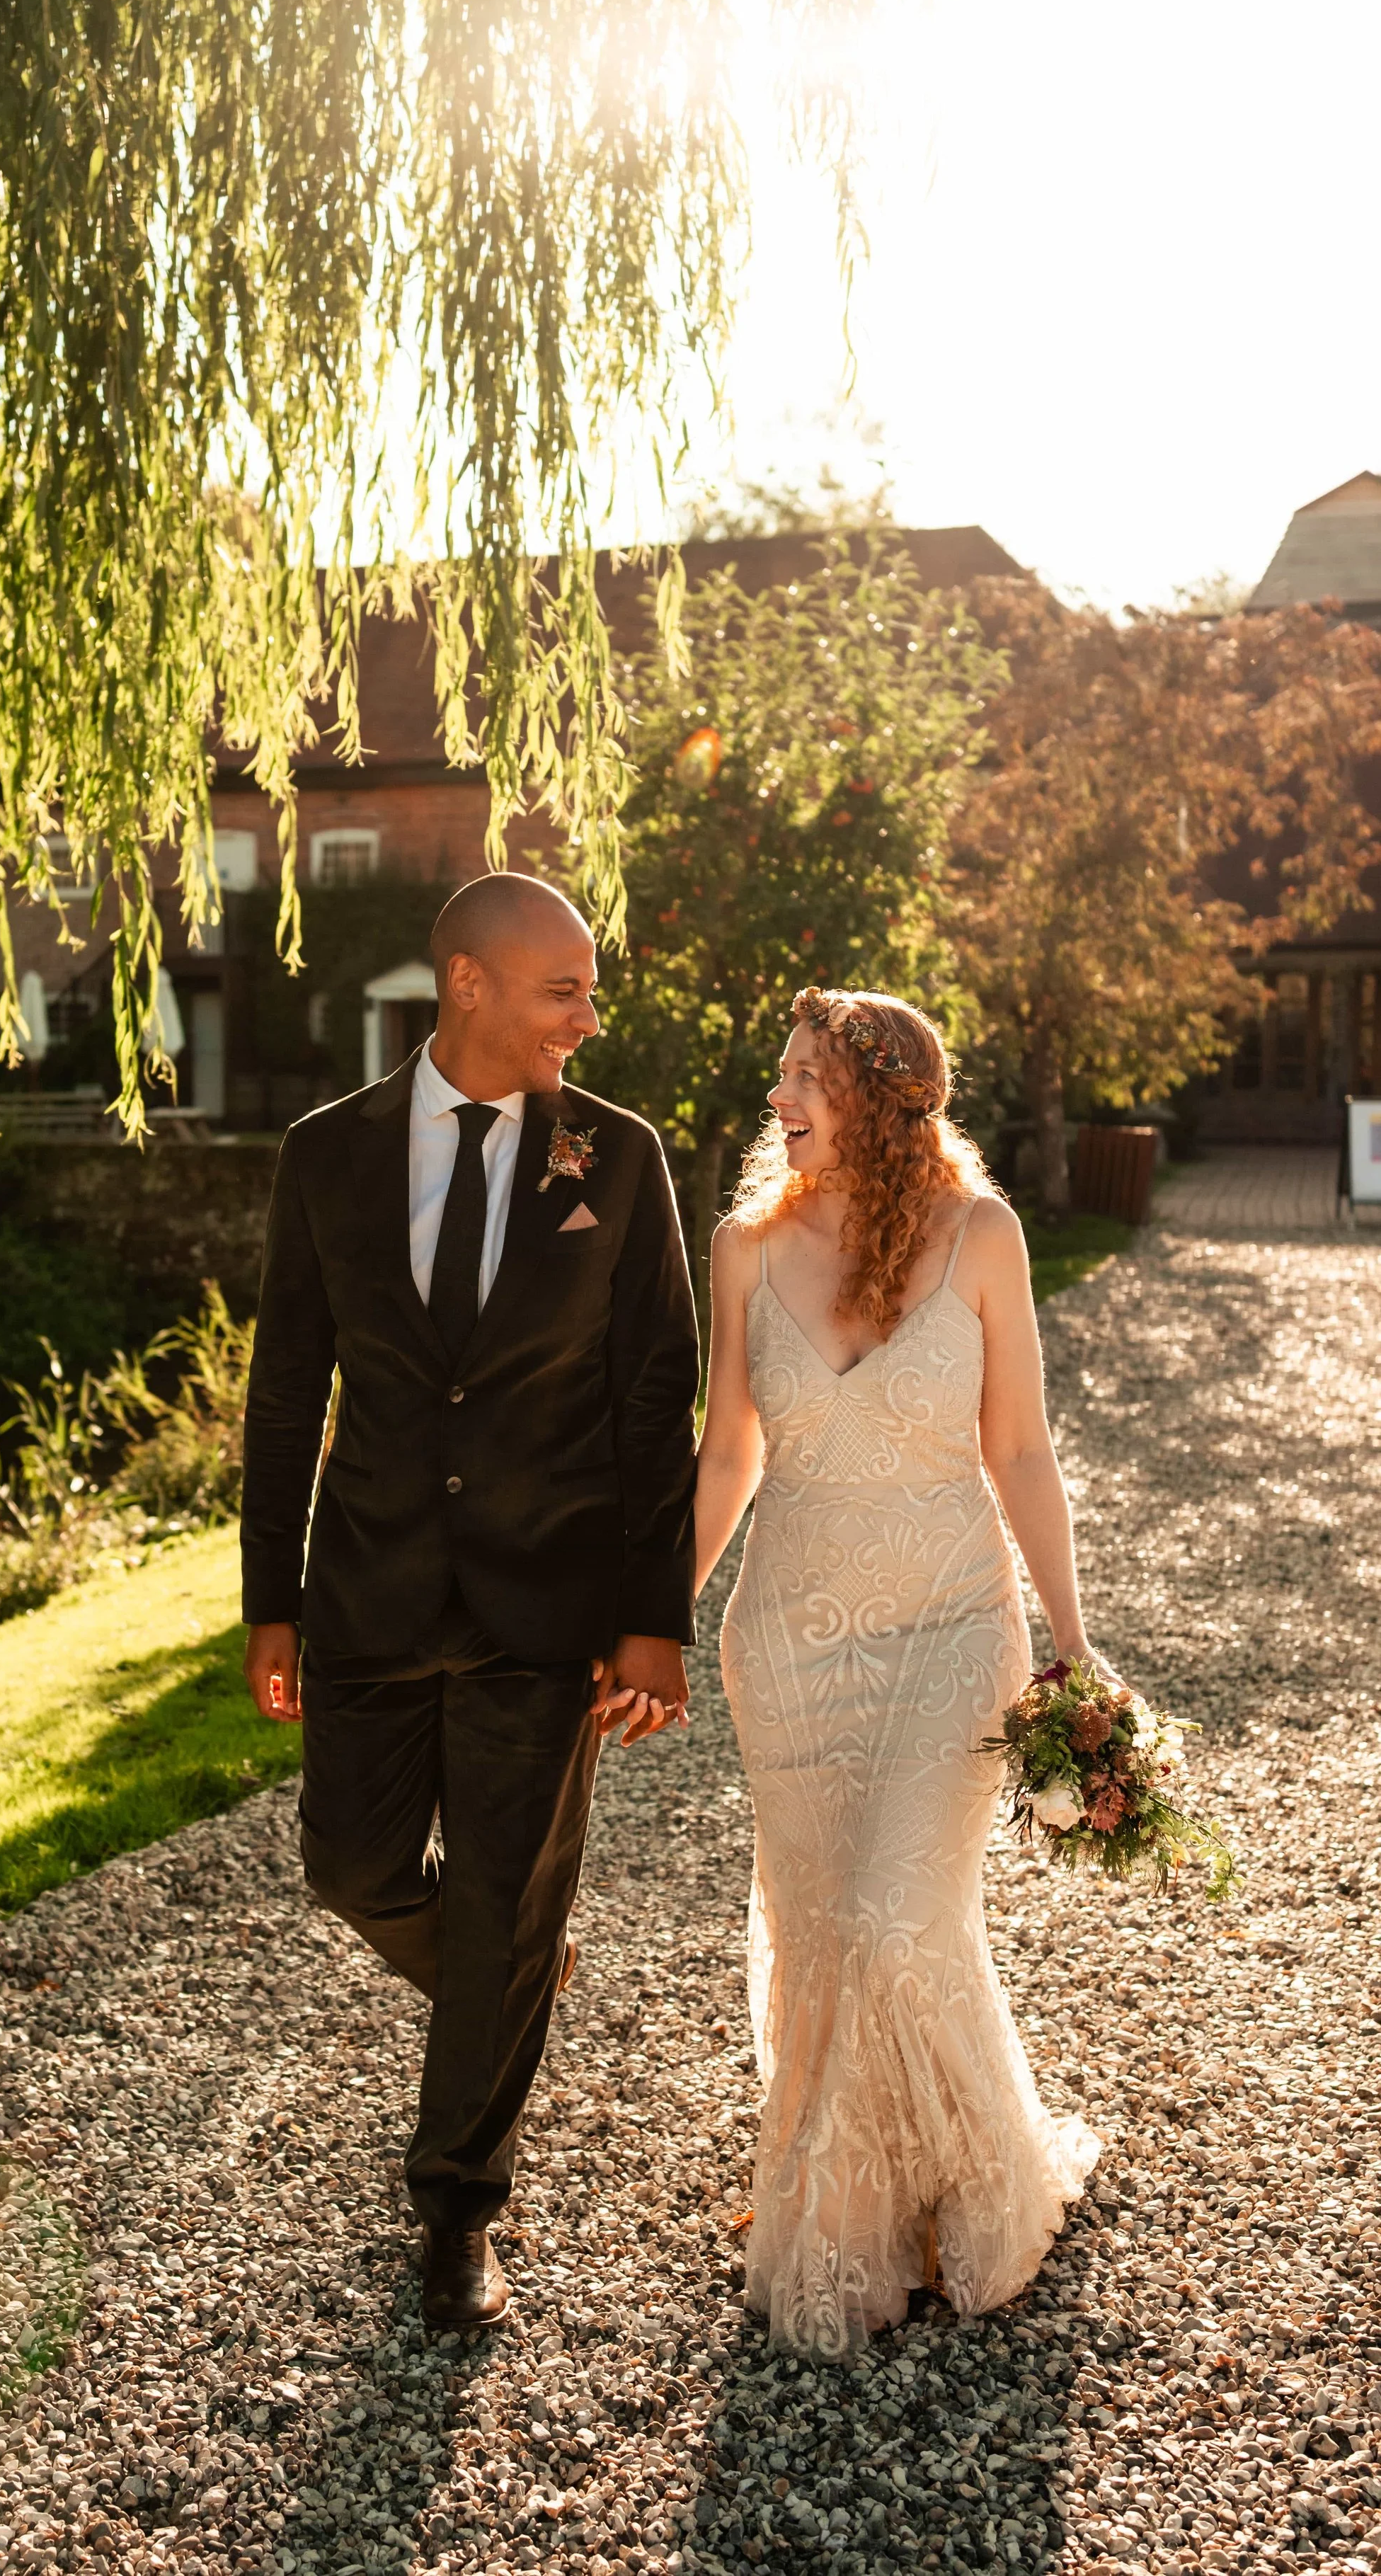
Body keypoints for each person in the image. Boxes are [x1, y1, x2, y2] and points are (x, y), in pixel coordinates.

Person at [240, 872, 700, 2332]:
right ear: (468, 984)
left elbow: (652, 1396)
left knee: (503, 1882)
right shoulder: (327, 1154)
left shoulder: (615, 1160)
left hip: (543, 1599)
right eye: (561, 986)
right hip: (367, 1585)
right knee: (351, 1871)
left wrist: (650, 1617)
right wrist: (270, 1601)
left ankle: (455, 2211)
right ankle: (502, 1970)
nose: (585, 1011)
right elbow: (284, 1390)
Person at [695, 985, 1101, 2359]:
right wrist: (645, 1628)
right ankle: (871, 2212)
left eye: (800, 1076)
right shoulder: (742, 1248)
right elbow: (725, 1460)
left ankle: (979, 2186)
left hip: (946, 1630)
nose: (774, 1100)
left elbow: (1021, 1454)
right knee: (823, 1942)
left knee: (890, 1916)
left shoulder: (981, 1235)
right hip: (789, 1651)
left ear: (871, 1098)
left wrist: (1070, 1644)